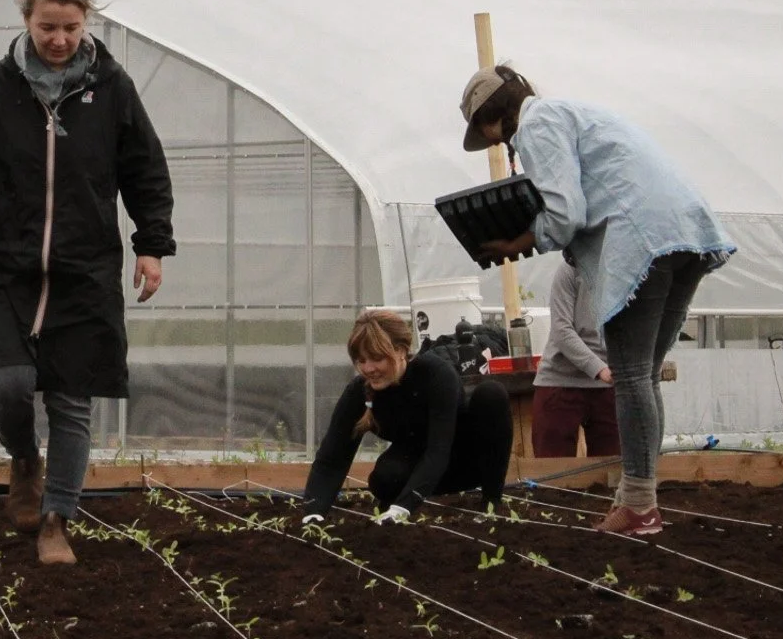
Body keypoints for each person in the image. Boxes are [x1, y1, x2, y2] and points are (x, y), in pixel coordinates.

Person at [0, 0, 175, 566]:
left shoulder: (112, 88)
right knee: (8, 386)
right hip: (11, 265)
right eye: (47, 28)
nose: (59, 40)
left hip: (85, 270)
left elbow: (144, 167)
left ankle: (55, 519)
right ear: (27, 22)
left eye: (69, 27)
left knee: (69, 399)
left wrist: (151, 244)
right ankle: (23, 460)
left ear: (85, 21)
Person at [460, 66, 734, 536]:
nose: (491, 142)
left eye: (484, 131)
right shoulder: (572, 112)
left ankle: (641, 506)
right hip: (685, 232)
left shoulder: (537, 126)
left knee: (629, 377)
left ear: (493, 118)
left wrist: (520, 240)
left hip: (639, 239)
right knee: (644, 376)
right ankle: (637, 497)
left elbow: (566, 214)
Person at [299, 309, 513, 524]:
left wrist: (402, 507)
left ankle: (491, 503)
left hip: (466, 460)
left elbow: (438, 450)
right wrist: (313, 513)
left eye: (376, 358)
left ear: (401, 350)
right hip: (418, 463)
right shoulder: (359, 391)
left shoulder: (436, 375)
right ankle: (401, 498)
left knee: (491, 395)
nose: (368, 368)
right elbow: (332, 458)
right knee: (384, 479)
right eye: (361, 360)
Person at [533, 259, 620, 458]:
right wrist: (600, 369)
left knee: (611, 470)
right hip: (560, 382)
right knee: (552, 475)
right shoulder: (569, 269)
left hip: (610, 387)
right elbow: (562, 330)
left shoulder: (628, 271)